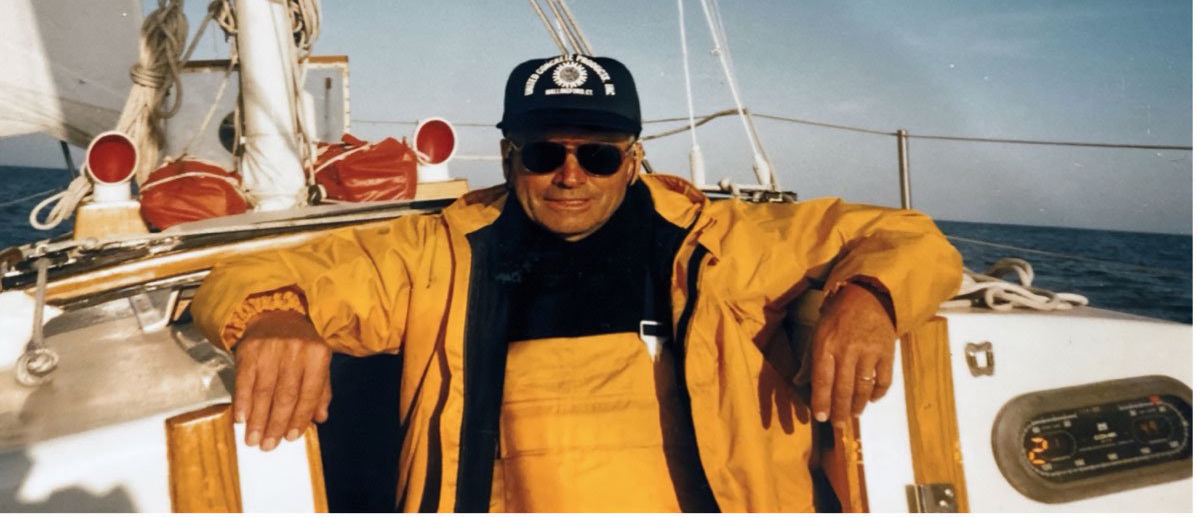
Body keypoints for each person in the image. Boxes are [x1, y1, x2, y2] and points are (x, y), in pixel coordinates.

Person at [191, 53, 962, 512]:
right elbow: (255, 273)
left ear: (632, 159)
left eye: (596, 156)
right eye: (541, 153)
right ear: (506, 157)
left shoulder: (722, 244)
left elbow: (904, 235)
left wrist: (867, 300)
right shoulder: (436, 254)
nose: (568, 176)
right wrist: (272, 320)